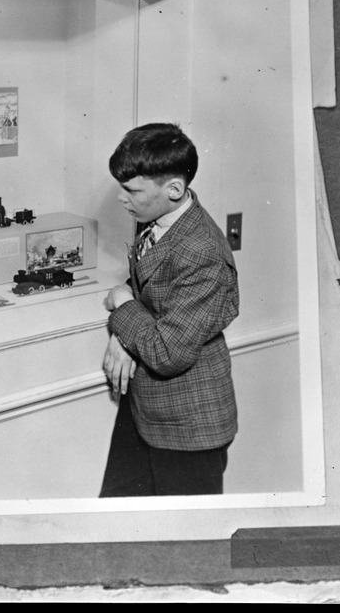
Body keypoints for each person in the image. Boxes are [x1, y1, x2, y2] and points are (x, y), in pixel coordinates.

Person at [99, 123, 239, 497]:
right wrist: (124, 338)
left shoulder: (202, 251)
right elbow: (157, 290)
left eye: (131, 190)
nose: (120, 198)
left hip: (188, 428)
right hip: (146, 412)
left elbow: (167, 352)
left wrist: (121, 302)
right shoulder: (159, 221)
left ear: (174, 189)